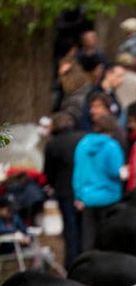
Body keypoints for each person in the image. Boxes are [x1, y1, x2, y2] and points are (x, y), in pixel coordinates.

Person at [73, 114, 126, 250]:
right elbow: (115, 172)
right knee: (107, 236)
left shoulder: (83, 144)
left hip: (87, 197)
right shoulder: (112, 146)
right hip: (109, 197)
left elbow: (78, 173)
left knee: (88, 237)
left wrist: (78, 196)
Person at [43, 112, 84, 269]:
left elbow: (48, 172)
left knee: (70, 228)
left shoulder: (53, 144)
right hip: (85, 189)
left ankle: (72, 263)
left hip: (65, 190)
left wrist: (52, 185)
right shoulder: (82, 138)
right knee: (84, 227)